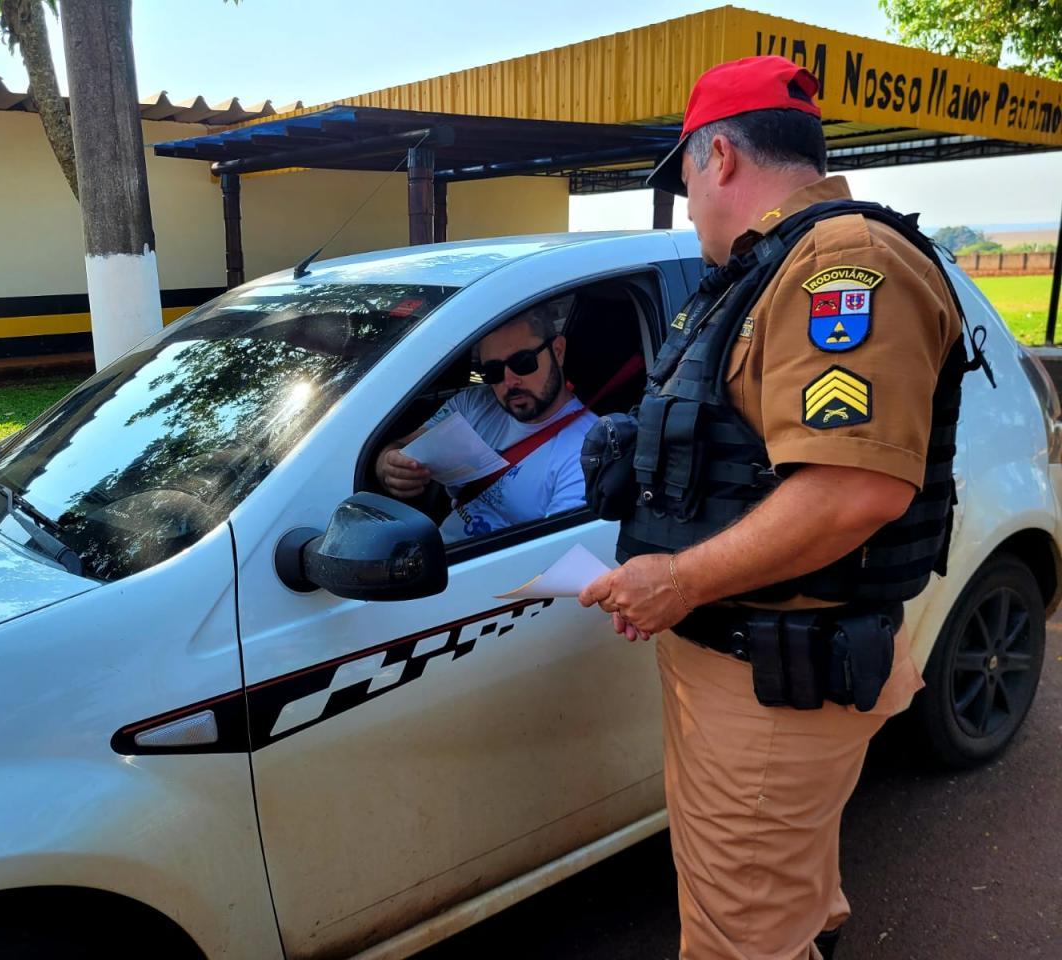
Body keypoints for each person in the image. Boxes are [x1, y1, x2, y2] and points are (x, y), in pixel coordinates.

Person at [579, 56, 973, 959]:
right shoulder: (772, 269)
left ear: (718, 155)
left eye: (684, 184)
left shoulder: (843, 263)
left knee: (736, 939)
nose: (688, 210)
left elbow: (854, 487)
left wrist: (678, 577)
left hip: (773, 677)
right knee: (782, 898)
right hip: (754, 662)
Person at [375, 302, 598, 542]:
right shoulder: (472, 405)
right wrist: (388, 465)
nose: (509, 381)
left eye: (523, 362)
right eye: (493, 371)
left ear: (558, 351)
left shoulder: (586, 452)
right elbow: (402, 447)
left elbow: (554, 563)